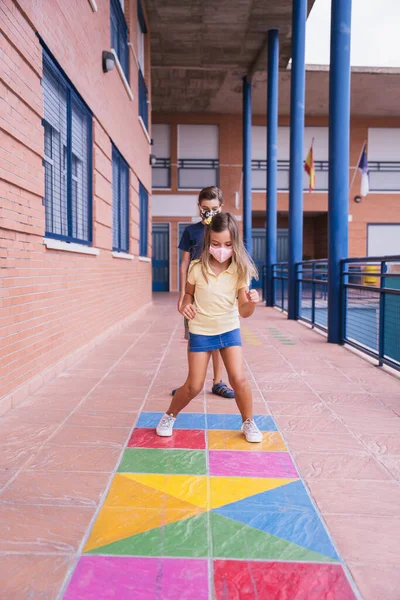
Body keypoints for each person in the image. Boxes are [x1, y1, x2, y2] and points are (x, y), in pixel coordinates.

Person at [157, 212, 262, 443]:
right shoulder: (196, 267)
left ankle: (248, 422)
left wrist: (252, 302)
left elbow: (244, 311)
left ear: (235, 243)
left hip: (228, 328)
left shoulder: (240, 271)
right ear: (208, 242)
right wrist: (185, 306)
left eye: (227, 244)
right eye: (215, 244)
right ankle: (169, 415)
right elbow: (188, 297)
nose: (221, 249)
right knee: (194, 385)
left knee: (238, 379)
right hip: (201, 330)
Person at [174, 186, 235, 399]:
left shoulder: (225, 232)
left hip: (218, 296)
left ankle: (218, 381)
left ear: (222, 208)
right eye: (205, 208)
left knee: (219, 338)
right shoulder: (191, 231)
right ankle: (192, 382)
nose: (209, 212)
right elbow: (184, 264)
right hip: (195, 294)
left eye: (214, 208)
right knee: (194, 337)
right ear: (199, 207)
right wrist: (182, 295)